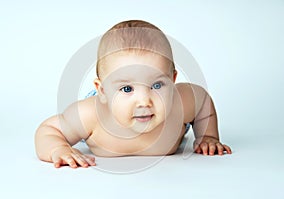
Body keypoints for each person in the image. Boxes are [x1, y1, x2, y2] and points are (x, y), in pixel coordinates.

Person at [35, 20, 232, 168]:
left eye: (157, 85)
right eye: (127, 89)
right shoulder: (90, 115)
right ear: (102, 90)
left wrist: (207, 136)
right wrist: (58, 149)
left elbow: (202, 101)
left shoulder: (181, 103)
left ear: (172, 81)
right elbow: (48, 130)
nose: (144, 101)